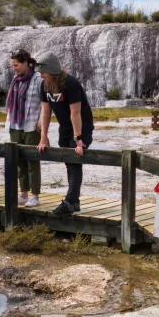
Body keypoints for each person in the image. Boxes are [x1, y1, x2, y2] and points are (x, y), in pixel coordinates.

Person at [35, 52, 94, 218]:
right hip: (64, 127)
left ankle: (69, 202)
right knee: (68, 162)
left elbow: (76, 113)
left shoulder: (70, 83)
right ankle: (74, 201)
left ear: (52, 71)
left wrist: (78, 139)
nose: (41, 75)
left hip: (82, 126)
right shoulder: (44, 85)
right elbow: (45, 111)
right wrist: (43, 137)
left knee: (74, 160)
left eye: (43, 72)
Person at [6, 49, 44, 208]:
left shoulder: (38, 80)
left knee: (32, 161)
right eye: (12, 65)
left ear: (26, 63)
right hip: (15, 125)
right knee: (19, 160)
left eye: (16, 65)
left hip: (31, 125)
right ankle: (23, 193)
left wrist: (41, 123)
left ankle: (35, 195)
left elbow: (45, 104)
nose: (13, 68)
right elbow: (11, 104)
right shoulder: (16, 79)